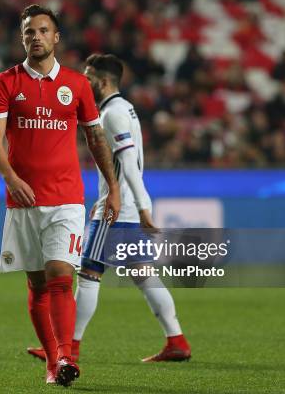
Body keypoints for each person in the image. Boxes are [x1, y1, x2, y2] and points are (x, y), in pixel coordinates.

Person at [0, 5, 120, 386]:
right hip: (23, 201)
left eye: (43, 30)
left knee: (61, 276)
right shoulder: (5, 83)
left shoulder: (76, 85)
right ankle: (51, 363)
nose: (36, 37)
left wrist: (112, 187)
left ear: (56, 37)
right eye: (29, 32)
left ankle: (62, 359)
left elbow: (96, 138)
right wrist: (11, 178)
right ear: (22, 37)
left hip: (66, 199)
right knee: (37, 284)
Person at [27, 54, 191, 364]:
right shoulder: (122, 108)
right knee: (144, 275)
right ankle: (176, 340)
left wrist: (142, 208)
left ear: (103, 82)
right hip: (124, 206)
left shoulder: (112, 115)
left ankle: (68, 348)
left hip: (116, 211)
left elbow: (128, 164)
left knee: (88, 274)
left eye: (88, 78)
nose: (83, 83)